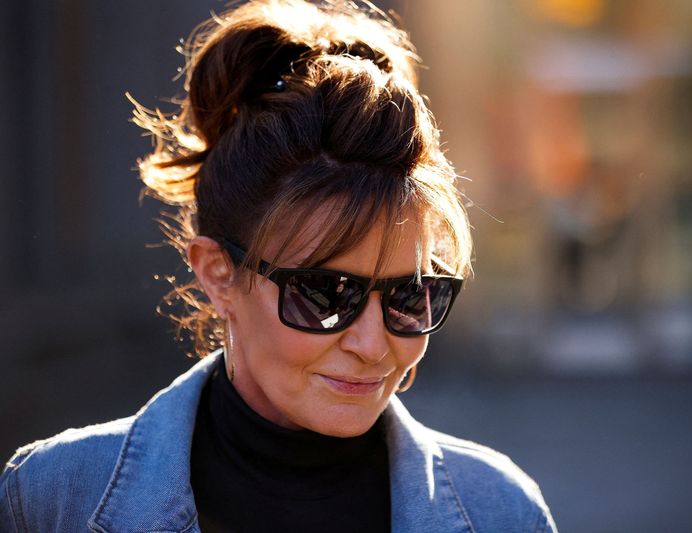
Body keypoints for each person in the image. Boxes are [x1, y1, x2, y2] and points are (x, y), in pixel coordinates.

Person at [0, 1, 557, 531]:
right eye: (326, 294)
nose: (372, 345)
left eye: (410, 296)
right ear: (218, 274)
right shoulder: (53, 499)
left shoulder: (502, 513)